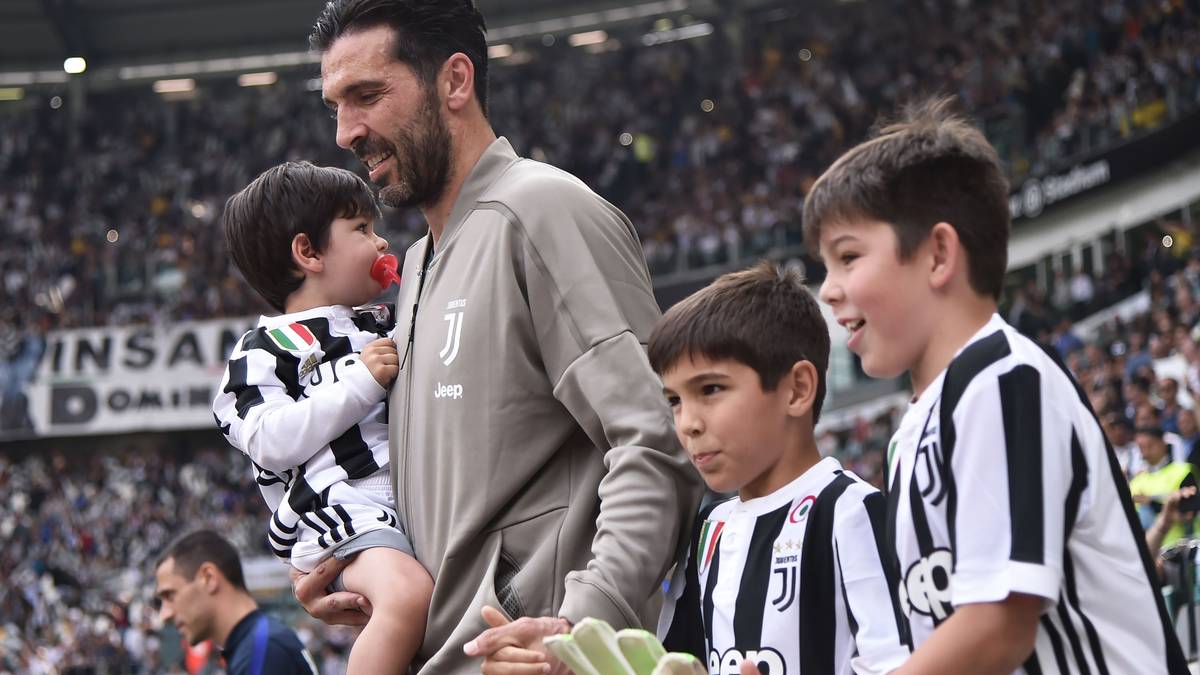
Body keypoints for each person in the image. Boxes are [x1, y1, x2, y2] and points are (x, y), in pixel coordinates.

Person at [301, 1, 702, 673]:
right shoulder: (421, 261)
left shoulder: (541, 210)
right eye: (335, 106)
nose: (345, 132)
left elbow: (656, 435)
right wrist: (371, 569)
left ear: (456, 81)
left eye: (367, 96)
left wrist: (581, 627)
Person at [807, 96, 1187, 673]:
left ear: (938, 254)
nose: (829, 290)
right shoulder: (912, 432)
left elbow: (995, 630)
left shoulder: (1003, 382)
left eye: (848, 257)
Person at [212, 162, 432, 674]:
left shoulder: (383, 319)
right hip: (341, 509)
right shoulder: (263, 352)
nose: (381, 244)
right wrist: (358, 384)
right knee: (405, 596)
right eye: (361, 229)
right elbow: (269, 439)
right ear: (308, 252)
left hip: (408, 501)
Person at [650, 262, 910, 674]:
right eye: (674, 401)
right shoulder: (708, 532)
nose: (688, 423)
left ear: (797, 389)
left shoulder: (850, 511)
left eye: (711, 389)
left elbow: (898, 663)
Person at [154, 530, 317, 675]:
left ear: (209, 578)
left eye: (170, 595)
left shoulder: (262, 650)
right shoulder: (257, 646)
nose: (164, 614)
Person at [1130, 426, 1198, 550]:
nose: (1145, 453)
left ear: (1162, 443)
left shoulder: (1183, 471)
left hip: (1179, 550)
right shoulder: (1135, 482)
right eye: (1141, 448)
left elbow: (1188, 514)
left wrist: (1151, 503)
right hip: (1147, 552)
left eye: (1149, 446)